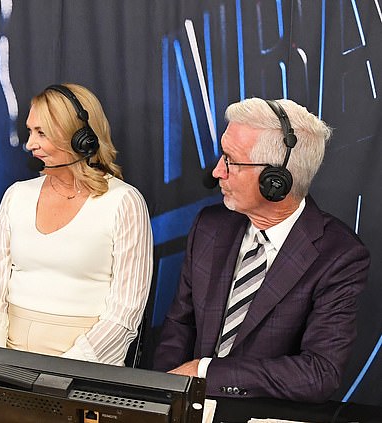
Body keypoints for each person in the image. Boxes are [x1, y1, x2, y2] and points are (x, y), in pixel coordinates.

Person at [153, 97, 370, 402]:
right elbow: (180, 324)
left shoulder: (340, 256)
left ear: (275, 181)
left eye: (230, 159)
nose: (217, 172)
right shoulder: (209, 227)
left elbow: (319, 373)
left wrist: (204, 372)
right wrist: (165, 395)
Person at [0, 83, 153, 365]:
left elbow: (125, 312)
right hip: (6, 354)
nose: (30, 144)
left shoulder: (124, 202)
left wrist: (68, 368)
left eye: (41, 133)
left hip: (85, 362)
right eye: (30, 131)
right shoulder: (17, 195)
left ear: (81, 138)